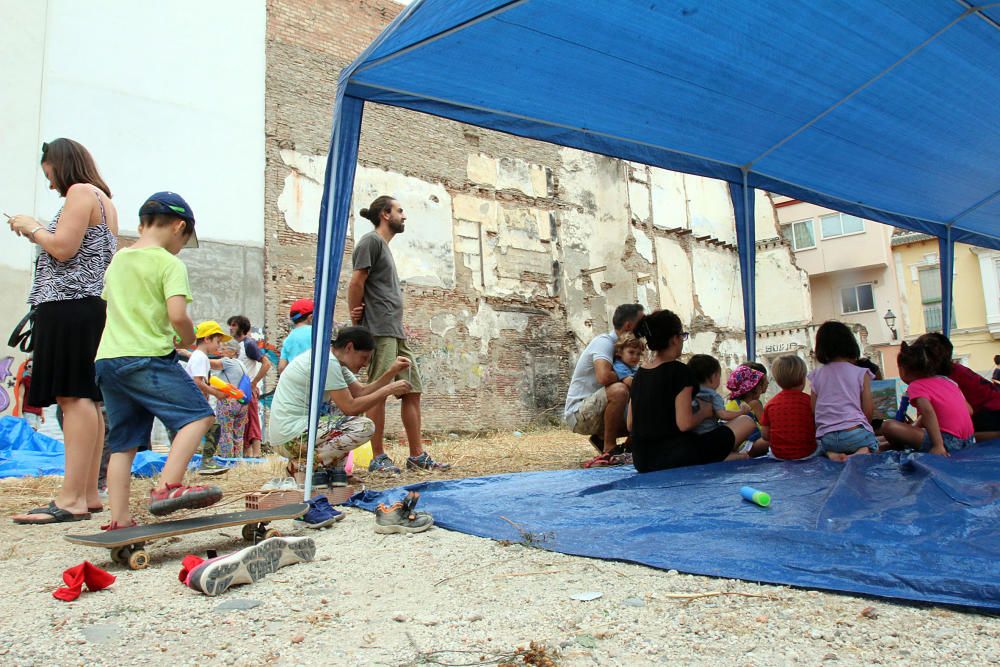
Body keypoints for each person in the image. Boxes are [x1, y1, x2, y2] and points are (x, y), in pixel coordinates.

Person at [90, 192, 221, 530]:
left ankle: (119, 519)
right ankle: (168, 486)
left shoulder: (118, 260)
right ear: (179, 226)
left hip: (108, 360)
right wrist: (188, 338)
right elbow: (177, 315)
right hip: (146, 357)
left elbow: (114, 310)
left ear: (141, 223)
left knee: (124, 442)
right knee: (198, 417)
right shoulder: (169, 263)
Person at [10, 139, 118, 524]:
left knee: (73, 397)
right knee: (84, 396)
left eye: (49, 174)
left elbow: (62, 248)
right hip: (88, 305)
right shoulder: (104, 200)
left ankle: (72, 498)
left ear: (60, 165)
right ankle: (87, 494)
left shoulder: (79, 193)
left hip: (68, 305)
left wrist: (32, 227)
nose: (51, 184)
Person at [348, 195, 449, 473]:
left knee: (412, 391)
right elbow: (356, 281)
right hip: (379, 330)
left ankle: (416, 456)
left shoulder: (384, 246)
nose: (404, 216)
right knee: (378, 392)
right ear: (385, 214)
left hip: (395, 332)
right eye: (400, 211)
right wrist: (355, 316)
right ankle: (377, 456)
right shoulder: (370, 242)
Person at [269, 326, 412, 489]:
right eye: (364, 358)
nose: (365, 364)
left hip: (292, 432)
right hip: (290, 435)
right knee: (363, 426)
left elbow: (360, 392)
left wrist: (391, 372)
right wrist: (388, 390)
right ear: (349, 347)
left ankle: (330, 471)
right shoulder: (328, 362)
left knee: (343, 419)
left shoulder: (334, 361)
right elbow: (350, 407)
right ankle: (304, 466)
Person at [628, 310, 756, 472]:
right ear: (675, 339)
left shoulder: (639, 374)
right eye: (683, 336)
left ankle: (722, 457)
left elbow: (630, 424)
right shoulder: (680, 371)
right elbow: (685, 424)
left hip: (641, 461)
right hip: (676, 457)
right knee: (746, 421)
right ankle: (724, 457)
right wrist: (705, 411)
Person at [563, 303, 645, 468]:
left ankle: (623, 445)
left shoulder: (628, 349)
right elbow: (604, 376)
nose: (644, 327)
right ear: (629, 325)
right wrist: (625, 376)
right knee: (619, 390)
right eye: (641, 323)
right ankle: (609, 448)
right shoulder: (604, 343)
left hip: (599, 407)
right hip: (579, 413)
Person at [881, 342, 975, 455]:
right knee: (916, 427)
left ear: (903, 369)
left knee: (888, 426)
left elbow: (927, 411)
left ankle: (898, 446)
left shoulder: (916, 385)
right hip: (969, 441)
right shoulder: (948, 381)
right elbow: (969, 410)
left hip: (948, 443)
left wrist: (938, 446)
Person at [808, 321, 877, 461]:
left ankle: (831, 454)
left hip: (828, 438)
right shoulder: (861, 373)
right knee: (873, 443)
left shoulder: (816, 375)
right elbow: (868, 410)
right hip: (855, 433)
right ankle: (862, 451)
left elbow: (814, 410)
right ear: (851, 343)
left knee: (823, 447)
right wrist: (865, 428)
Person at [915, 333, 1000, 441]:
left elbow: (929, 416)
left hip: (991, 412)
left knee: (952, 434)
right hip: (991, 409)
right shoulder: (954, 370)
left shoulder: (942, 379)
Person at [227, 315, 272, 457]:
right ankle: (247, 454)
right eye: (230, 325)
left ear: (242, 327)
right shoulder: (236, 346)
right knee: (243, 424)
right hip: (237, 392)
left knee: (252, 420)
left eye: (234, 325)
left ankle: (257, 454)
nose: (231, 328)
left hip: (247, 390)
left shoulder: (249, 344)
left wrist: (253, 383)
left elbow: (267, 363)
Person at [760, 354, 817, 460]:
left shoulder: (770, 404)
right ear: (803, 379)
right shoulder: (810, 401)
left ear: (777, 381)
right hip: (808, 454)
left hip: (779, 456)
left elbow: (765, 435)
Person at [688, 354, 750, 435]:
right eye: (719, 376)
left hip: (691, 434)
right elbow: (723, 415)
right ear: (714, 376)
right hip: (709, 433)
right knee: (746, 420)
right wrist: (741, 412)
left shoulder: (689, 393)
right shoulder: (712, 395)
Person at [213, 339, 251, 459]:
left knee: (225, 433)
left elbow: (209, 363)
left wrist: (187, 354)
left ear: (233, 351)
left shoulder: (228, 362)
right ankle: (238, 461)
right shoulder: (241, 364)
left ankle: (227, 460)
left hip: (228, 402)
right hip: (242, 403)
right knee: (238, 435)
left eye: (224, 349)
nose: (221, 351)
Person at [724, 365, 769, 455]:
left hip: (735, 445)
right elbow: (766, 428)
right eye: (760, 385)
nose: (762, 388)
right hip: (746, 446)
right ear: (753, 388)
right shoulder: (755, 404)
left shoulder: (731, 403)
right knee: (774, 440)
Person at [278, 299, 314, 374]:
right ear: (310, 317)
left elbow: (281, 367)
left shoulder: (288, 339)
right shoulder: (316, 334)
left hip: (294, 380)